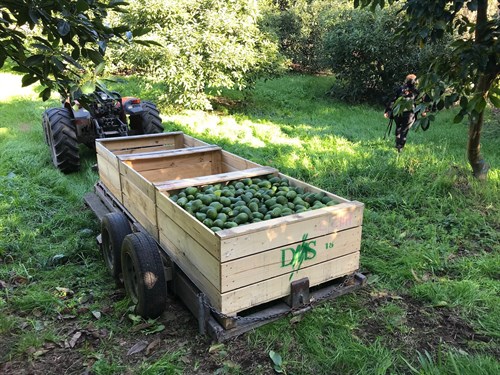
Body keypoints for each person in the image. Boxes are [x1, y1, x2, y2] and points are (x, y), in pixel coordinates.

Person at [384, 74, 426, 152]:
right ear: (415, 82)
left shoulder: (400, 89)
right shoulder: (416, 91)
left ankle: (397, 144)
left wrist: (387, 110)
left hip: (398, 112)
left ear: (406, 80)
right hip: (409, 114)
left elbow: (393, 100)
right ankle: (400, 147)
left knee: (398, 127)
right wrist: (424, 112)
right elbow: (422, 102)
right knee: (404, 130)